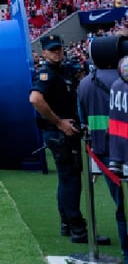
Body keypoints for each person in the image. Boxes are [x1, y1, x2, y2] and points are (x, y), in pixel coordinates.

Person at [31, 33, 99, 244]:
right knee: (71, 180)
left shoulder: (63, 70)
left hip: (64, 131)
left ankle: (68, 224)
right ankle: (77, 227)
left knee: (66, 178)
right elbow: (35, 99)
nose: (57, 52)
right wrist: (59, 122)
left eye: (58, 48)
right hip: (60, 133)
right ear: (43, 53)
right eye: (52, 50)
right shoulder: (46, 73)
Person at [77, 46, 128, 259]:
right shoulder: (119, 80)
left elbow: (82, 115)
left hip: (102, 150)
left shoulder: (85, 82)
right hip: (122, 147)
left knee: (121, 206)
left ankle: (126, 252)